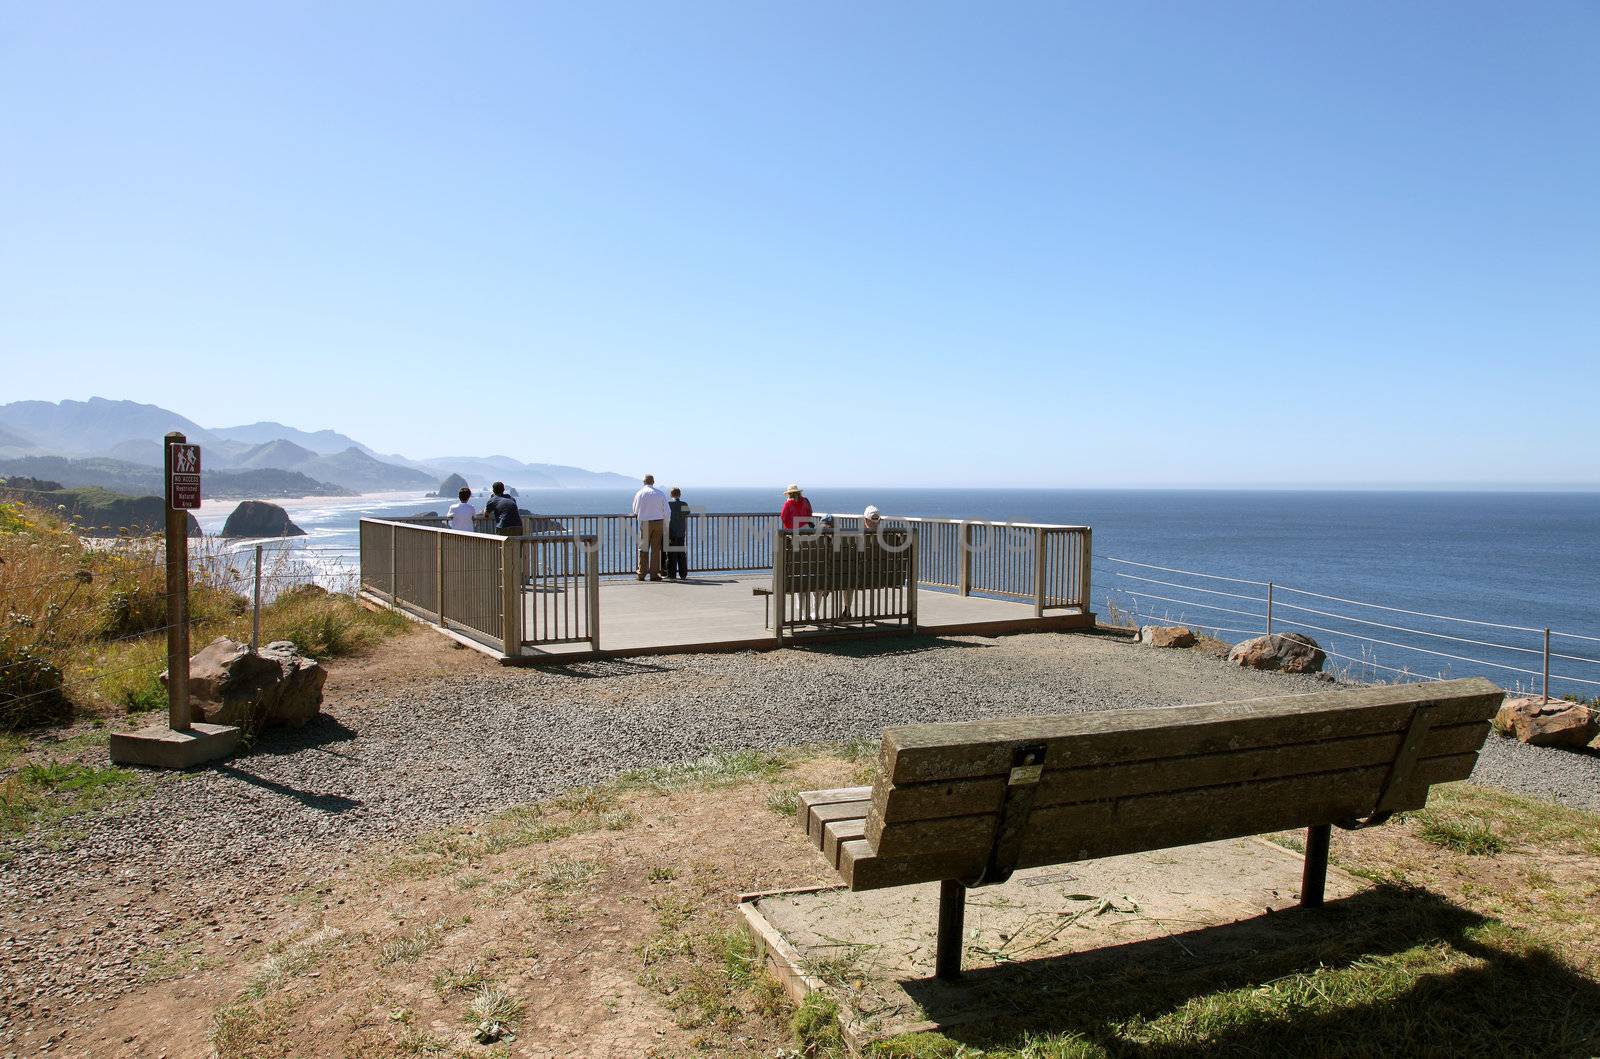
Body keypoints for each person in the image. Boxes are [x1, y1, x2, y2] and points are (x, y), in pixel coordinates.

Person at [631, 474, 669, 581]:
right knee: (656, 549)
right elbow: (667, 511)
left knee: (643, 548)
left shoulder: (639, 493)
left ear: (644, 482)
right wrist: (665, 523)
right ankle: (654, 574)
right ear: (653, 482)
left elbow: (635, 509)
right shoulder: (660, 493)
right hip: (658, 522)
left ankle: (641, 573)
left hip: (645, 522)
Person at [664, 487, 691, 580]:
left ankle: (671, 575)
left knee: (671, 554)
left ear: (671, 495)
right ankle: (683, 574)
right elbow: (687, 513)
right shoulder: (684, 504)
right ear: (680, 494)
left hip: (670, 532)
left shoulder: (668, 504)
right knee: (681, 554)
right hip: (681, 533)